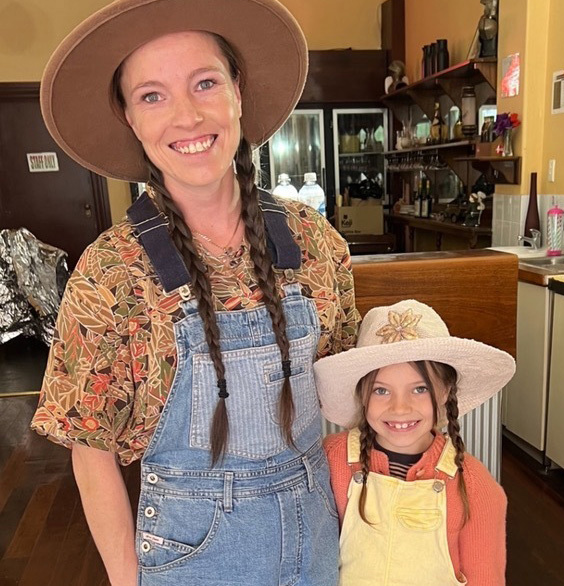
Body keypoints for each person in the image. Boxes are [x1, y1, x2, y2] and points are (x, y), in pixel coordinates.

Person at [31, 1, 360, 584]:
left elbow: (344, 392)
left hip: (318, 538)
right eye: (152, 95)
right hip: (192, 555)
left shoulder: (316, 243)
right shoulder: (111, 274)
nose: (186, 116)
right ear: (129, 118)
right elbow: (90, 447)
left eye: (204, 82)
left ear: (237, 91)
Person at [314, 300, 516, 585]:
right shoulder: (332, 459)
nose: (399, 408)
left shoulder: (473, 485)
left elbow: (486, 578)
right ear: (361, 394)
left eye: (419, 389)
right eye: (381, 390)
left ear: (445, 390)